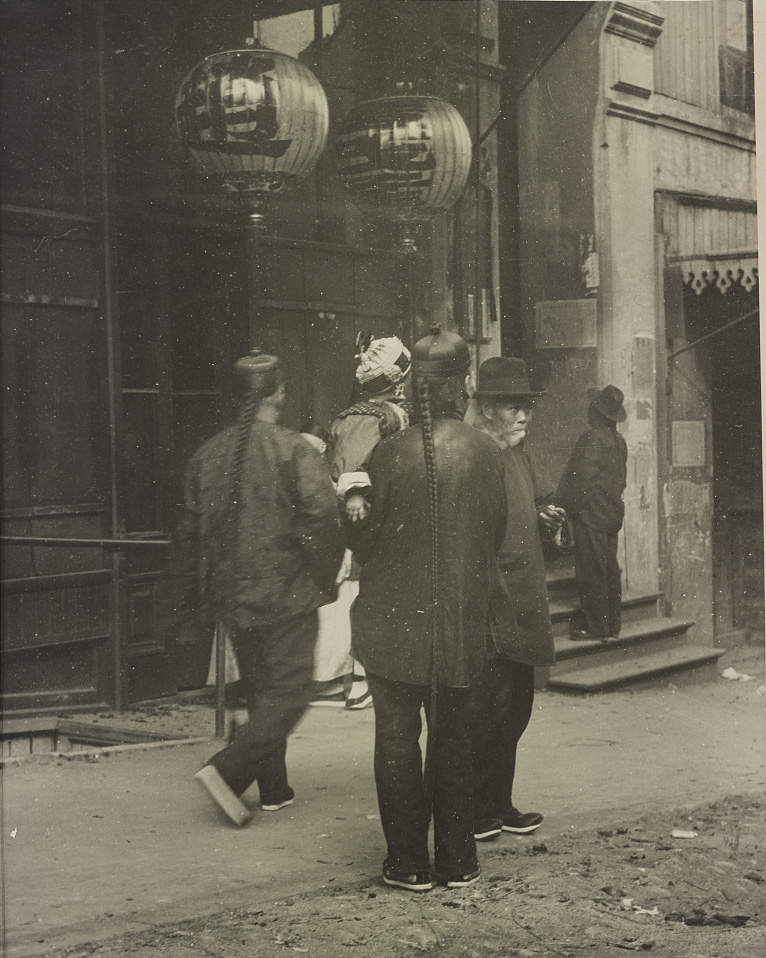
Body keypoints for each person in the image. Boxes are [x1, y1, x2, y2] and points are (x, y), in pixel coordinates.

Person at [348, 325, 512, 893]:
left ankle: (408, 865)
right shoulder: (488, 453)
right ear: (461, 383)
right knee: (455, 738)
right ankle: (458, 861)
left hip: (393, 624)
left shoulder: (387, 452)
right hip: (463, 621)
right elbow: (496, 534)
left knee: (395, 737)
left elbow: (361, 543)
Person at [166, 348, 344, 826]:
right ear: (279, 394)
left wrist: (193, 601)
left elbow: (188, 536)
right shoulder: (293, 448)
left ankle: (274, 789)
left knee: (264, 691)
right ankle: (227, 771)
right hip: (286, 592)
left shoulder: (207, 455)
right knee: (292, 692)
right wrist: (322, 578)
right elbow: (324, 518)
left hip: (233, 596)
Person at [467, 357, 564, 842]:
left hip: (524, 597)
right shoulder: (477, 453)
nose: (523, 415)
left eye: (526, 406)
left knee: (516, 707)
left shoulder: (517, 453)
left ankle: (499, 804)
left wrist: (545, 514)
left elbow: (533, 501)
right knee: (487, 708)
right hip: (492, 597)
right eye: (512, 407)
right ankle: (476, 810)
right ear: (485, 410)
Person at [312, 335, 412, 710]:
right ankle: (357, 681)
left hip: (385, 511)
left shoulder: (382, 413)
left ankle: (362, 676)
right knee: (365, 595)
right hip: (369, 516)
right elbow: (351, 464)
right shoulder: (370, 417)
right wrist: (355, 493)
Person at [555, 385, 628, 641]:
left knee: (591, 570)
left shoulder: (591, 439)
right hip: (612, 514)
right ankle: (613, 626)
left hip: (591, 514)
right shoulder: (619, 442)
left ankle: (596, 627)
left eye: (591, 408)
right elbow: (621, 481)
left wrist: (567, 508)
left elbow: (580, 481)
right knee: (609, 568)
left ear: (596, 413)